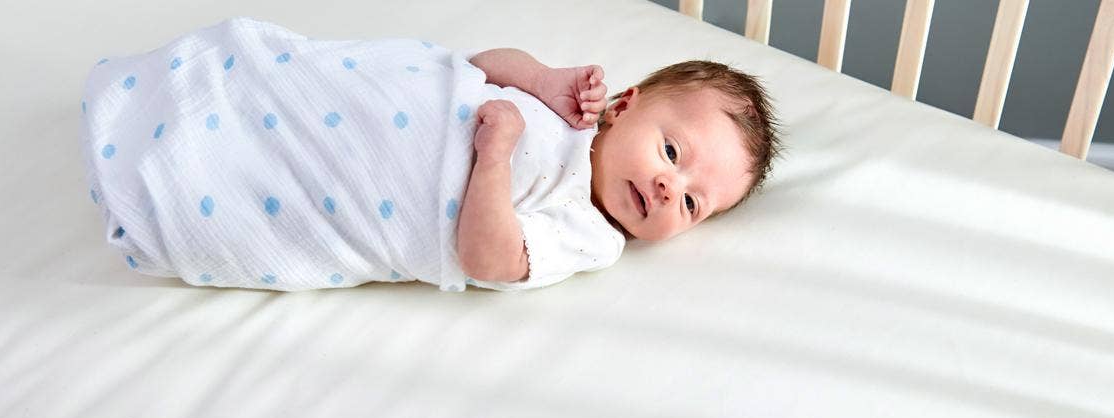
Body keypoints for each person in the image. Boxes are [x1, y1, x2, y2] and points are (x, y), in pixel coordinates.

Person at [80, 18, 779, 292]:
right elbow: (479, 64)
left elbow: (490, 259)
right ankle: (186, 99)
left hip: (363, 188)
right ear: (624, 106)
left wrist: (496, 159)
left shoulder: (591, 234)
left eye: (692, 202)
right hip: (373, 96)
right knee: (266, 74)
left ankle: (180, 179)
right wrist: (538, 78)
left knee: (260, 184)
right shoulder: (576, 109)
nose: (666, 187)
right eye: (671, 151)